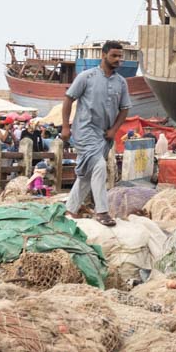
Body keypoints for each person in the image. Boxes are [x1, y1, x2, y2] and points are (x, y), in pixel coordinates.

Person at [61, 40, 132, 226]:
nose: (118, 60)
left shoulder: (121, 83)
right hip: (84, 131)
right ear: (104, 55)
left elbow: (125, 109)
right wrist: (65, 127)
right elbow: (68, 99)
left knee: (86, 173)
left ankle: (70, 209)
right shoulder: (86, 77)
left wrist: (114, 130)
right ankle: (102, 211)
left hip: (104, 136)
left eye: (120, 56)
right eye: (114, 56)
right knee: (99, 166)